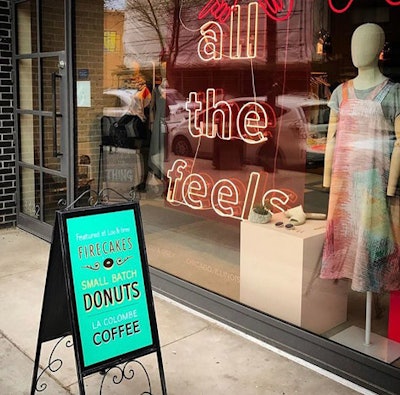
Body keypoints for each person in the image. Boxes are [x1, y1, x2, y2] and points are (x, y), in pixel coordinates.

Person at [320, 23, 400, 293]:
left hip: (375, 184)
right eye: (354, 42)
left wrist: (390, 187)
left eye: (365, 42)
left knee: (371, 239)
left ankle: (371, 289)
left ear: (379, 49)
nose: (357, 49)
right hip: (344, 184)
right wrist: (327, 180)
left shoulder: (394, 93)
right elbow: (331, 139)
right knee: (346, 236)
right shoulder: (339, 93)